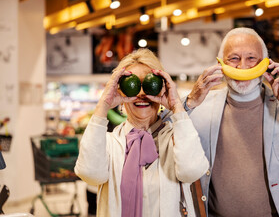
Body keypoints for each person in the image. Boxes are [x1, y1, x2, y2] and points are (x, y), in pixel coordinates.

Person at [183, 27, 279, 217]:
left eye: (251, 58)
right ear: (220, 64)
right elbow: (159, 144)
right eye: (234, 58)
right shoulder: (199, 106)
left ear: (266, 64)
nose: (242, 66)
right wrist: (189, 103)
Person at [75, 48, 209, 216]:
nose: (141, 94)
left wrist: (176, 106)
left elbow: (192, 171)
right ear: (121, 90)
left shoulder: (177, 138)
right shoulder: (110, 143)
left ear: (161, 88)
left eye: (147, 85)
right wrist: (103, 105)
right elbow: (90, 174)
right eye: (133, 85)